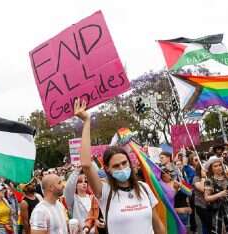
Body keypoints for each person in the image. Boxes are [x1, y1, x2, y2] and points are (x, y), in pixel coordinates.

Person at [74, 98, 165, 234]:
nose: (122, 168)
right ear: (107, 169)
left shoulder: (144, 188)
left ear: (129, 162)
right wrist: (87, 121)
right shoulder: (104, 192)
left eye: (124, 163)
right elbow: (86, 164)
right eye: (116, 166)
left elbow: (157, 225)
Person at [204, 156, 228, 234]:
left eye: (220, 165)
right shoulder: (209, 181)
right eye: (215, 166)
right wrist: (219, 194)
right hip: (218, 212)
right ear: (211, 168)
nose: (218, 167)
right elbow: (206, 198)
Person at [64, 167, 98, 232]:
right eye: (80, 181)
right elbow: (68, 188)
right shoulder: (73, 199)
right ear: (75, 185)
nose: (84, 183)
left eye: (85, 181)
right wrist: (77, 171)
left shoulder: (93, 198)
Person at [193, 164, 211, 234]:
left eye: (207, 168)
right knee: (206, 225)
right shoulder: (196, 178)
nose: (206, 170)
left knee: (210, 225)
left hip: (211, 206)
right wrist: (203, 177)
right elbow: (202, 189)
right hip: (201, 206)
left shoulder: (210, 177)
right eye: (204, 169)